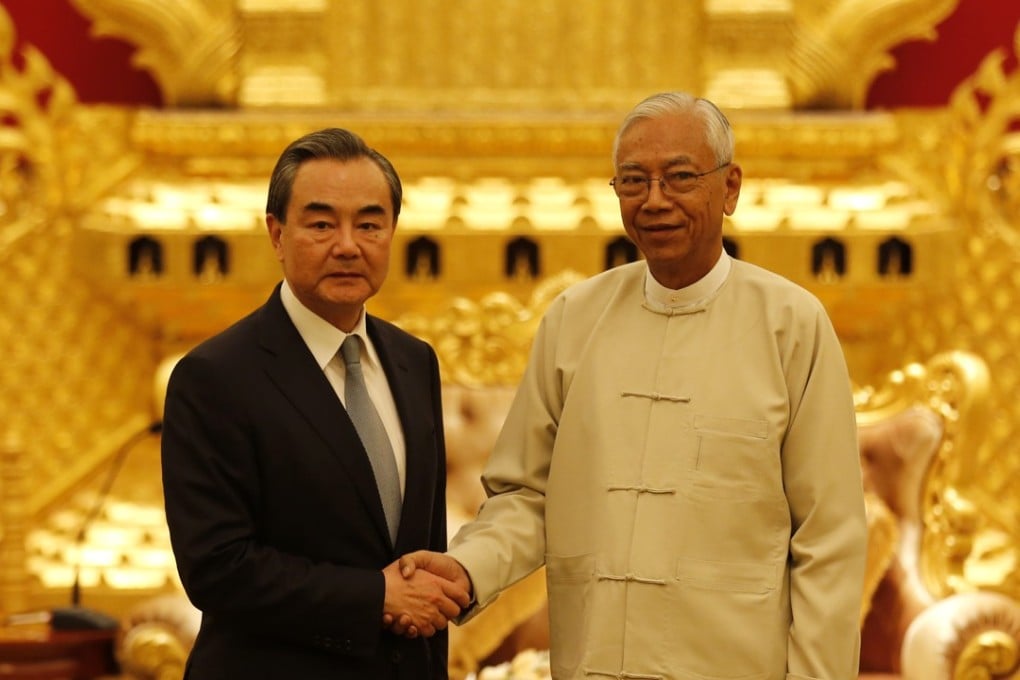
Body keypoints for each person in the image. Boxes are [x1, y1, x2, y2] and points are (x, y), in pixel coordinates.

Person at [397, 92, 869, 679]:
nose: (655, 201)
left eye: (679, 178)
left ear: (730, 188)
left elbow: (829, 538)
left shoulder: (792, 325)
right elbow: (525, 497)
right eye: (632, 181)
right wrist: (465, 570)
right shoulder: (574, 319)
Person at [161, 127, 469, 679]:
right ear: (277, 234)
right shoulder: (213, 377)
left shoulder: (413, 361)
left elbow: (420, 550)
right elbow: (217, 568)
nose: (348, 245)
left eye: (369, 224)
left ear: (392, 233)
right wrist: (374, 596)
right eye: (322, 223)